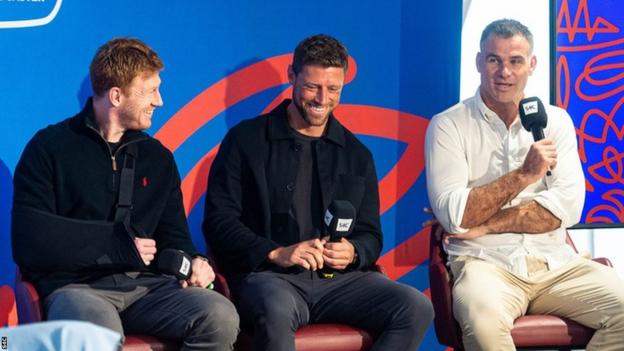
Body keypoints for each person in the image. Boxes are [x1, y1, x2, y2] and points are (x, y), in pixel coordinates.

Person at [203, 34, 433, 351]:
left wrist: (354, 252)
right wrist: (276, 252)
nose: (322, 99)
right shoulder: (245, 141)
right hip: (271, 278)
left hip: (341, 283)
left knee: (415, 306)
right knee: (276, 311)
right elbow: (219, 223)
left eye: (333, 89)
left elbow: (370, 235)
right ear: (292, 76)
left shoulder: (357, 154)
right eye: (312, 86)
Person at [11, 38, 238, 351]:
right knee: (98, 335)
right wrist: (114, 243)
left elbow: (175, 237)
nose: (159, 101)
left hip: (148, 288)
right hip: (77, 288)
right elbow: (29, 240)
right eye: (151, 91)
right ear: (116, 95)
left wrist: (195, 262)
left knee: (219, 315)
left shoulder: (158, 158)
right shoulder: (49, 148)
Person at [425, 19, 624, 350]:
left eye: (515, 61)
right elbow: (455, 217)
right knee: (483, 324)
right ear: (479, 62)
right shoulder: (448, 125)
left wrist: (485, 223)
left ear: (531, 65)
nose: (504, 72)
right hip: (484, 264)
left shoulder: (556, 121)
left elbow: (568, 208)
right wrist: (523, 176)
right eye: (494, 60)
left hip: (556, 263)